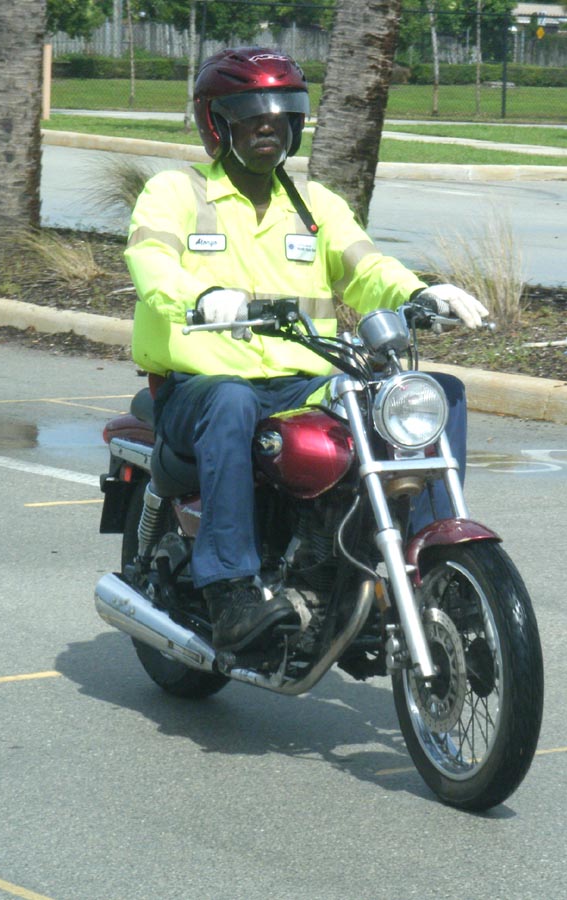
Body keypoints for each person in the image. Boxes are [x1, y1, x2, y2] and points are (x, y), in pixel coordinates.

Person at [124, 47, 489, 654]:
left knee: (429, 394)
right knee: (233, 401)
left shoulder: (315, 205)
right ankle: (231, 591)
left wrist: (421, 292)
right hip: (199, 387)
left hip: (302, 385)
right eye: (250, 113)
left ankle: (430, 569)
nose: (267, 125)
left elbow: (366, 268)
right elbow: (150, 262)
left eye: (281, 114)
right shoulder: (178, 192)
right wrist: (203, 296)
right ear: (217, 121)